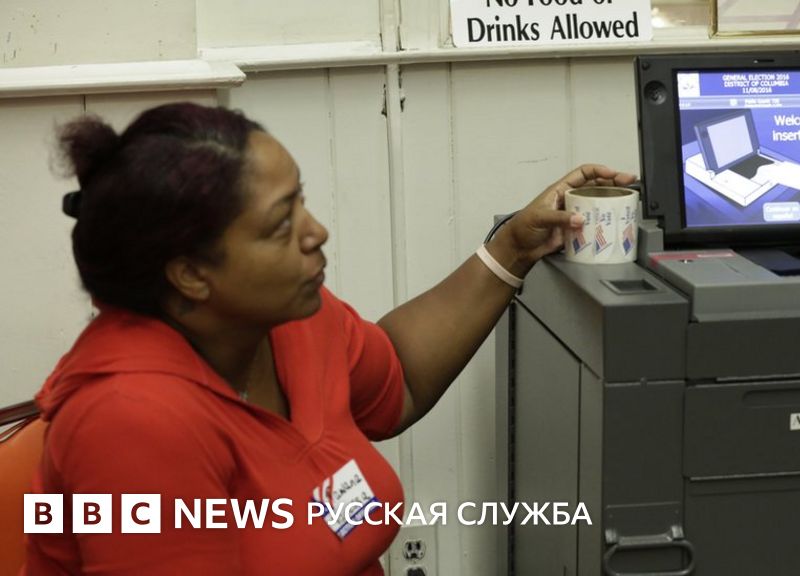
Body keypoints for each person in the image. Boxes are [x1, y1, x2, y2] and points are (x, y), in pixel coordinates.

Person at [24, 102, 635, 575]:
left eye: (302, 202)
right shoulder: (131, 421)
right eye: (280, 224)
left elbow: (398, 378)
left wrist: (513, 249)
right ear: (190, 274)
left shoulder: (286, 319)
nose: (315, 232)